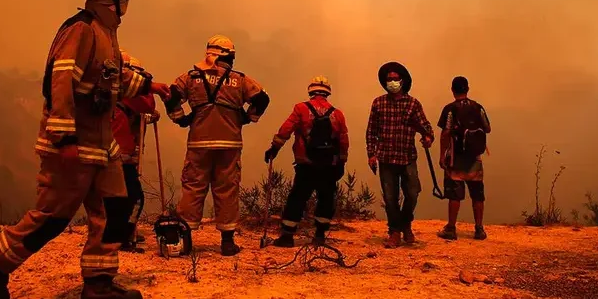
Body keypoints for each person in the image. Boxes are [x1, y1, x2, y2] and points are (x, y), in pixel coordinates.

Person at [0, 0, 171, 299]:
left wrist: (154, 86)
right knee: (52, 216)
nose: (127, 0)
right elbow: (60, 82)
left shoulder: (107, 35)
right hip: (75, 146)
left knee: (115, 210)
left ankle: (99, 283)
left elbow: (112, 80)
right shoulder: (81, 30)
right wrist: (64, 140)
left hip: (102, 147)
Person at [164, 35, 270, 256]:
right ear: (229, 56)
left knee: (193, 188)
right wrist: (247, 118)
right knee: (227, 189)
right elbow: (262, 99)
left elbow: (170, 95)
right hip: (229, 144)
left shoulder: (191, 77)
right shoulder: (240, 80)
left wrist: (180, 118)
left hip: (198, 143)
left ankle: (185, 240)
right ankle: (227, 242)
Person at [264, 76, 349, 247]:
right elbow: (344, 141)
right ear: (328, 92)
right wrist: (341, 162)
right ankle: (319, 236)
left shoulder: (301, 109)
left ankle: (287, 236)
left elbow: (286, 129)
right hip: (329, 165)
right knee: (326, 198)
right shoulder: (337, 114)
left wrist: (274, 148)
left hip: (306, 163)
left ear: (310, 90)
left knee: (298, 197)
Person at [365, 61, 434, 248]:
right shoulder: (378, 103)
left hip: (407, 157)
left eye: (395, 79)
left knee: (412, 193)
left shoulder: (413, 104)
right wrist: (371, 154)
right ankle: (395, 231)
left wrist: (427, 138)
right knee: (390, 198)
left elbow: (427, 128)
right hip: (386, 158)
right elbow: (371, 131)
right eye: (389, 79)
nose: (392, 82)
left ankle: (405, 224)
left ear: (403, 81)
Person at [113, 51, 160, 252]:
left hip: (112, 154)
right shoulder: (126, 91)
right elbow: (147, 104)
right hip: (120, 156)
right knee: (134, 197)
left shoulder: (113, 95)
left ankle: (119, 233)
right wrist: (147, 85)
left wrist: (150, 117)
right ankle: (123, 236)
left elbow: (136, 114)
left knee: (114, 197)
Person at [436, 76, 491, 241]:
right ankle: (479, 229)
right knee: (477, 194)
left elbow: (445, 133)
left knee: (454, 195)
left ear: (452, 90)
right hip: (475, 158)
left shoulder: (450, 109)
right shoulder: (477, 107)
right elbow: (487, 128)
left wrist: (441, 155)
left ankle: (451, 228)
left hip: (456, 158)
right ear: (467, 88)